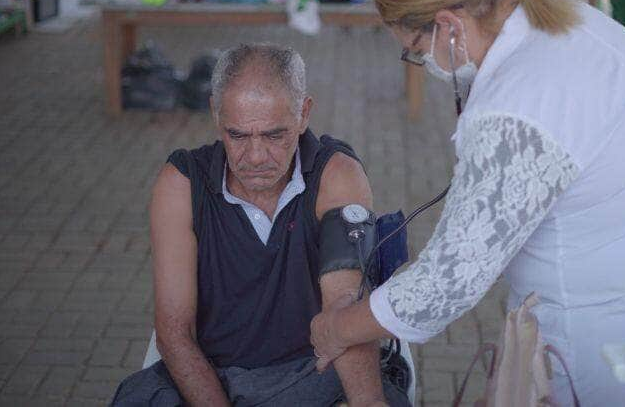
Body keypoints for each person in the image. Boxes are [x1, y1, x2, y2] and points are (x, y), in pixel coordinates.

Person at [309, 0, 625, 406]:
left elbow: (445, 283)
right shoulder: (580, 24)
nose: (423, 62)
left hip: (602, 351)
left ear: (448, 25)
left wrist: (337, 328)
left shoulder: (519, 104)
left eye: (415, 49)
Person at [111, 44, 409, 406]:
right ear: (215, 115)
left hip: (315, 373)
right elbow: (175, 333)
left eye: (274, 135)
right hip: (211, 375)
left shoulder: (336, 175)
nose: (255, 157)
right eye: (237, 135)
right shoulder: (181, 183)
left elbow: (344, 307)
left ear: (303, 114)